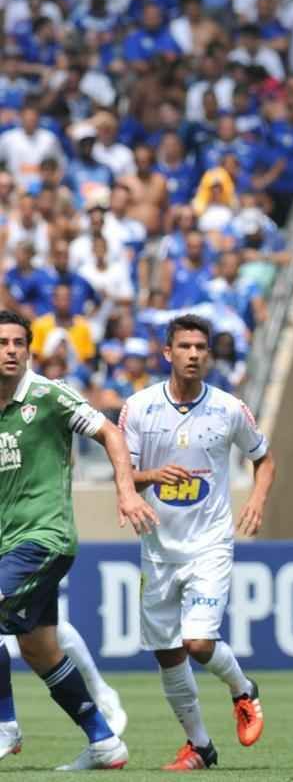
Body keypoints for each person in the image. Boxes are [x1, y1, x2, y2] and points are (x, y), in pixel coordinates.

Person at [0, 309, 156, 770]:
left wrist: (126, 491)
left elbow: (109, 432)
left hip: (45, 537)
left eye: (17, 343)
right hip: (9, 543)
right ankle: (105, 742)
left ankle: (5, 724)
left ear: (28, 350)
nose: (10, 351)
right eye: (1, 343)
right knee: (39, 647)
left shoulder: (47, 396)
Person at [120, 315, 275, 770]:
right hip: (158, 548)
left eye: (200, 347)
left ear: (208, 354)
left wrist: (258, 501)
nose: (193, 354)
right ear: (167, 353)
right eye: (184, 346)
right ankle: (201, 746)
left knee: (198, 643)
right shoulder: (139, 407)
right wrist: (151, 477)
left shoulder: (229, 408)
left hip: (209, 543)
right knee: (167, 653)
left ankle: (243, 689)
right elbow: (124, 475)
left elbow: (264, 459)